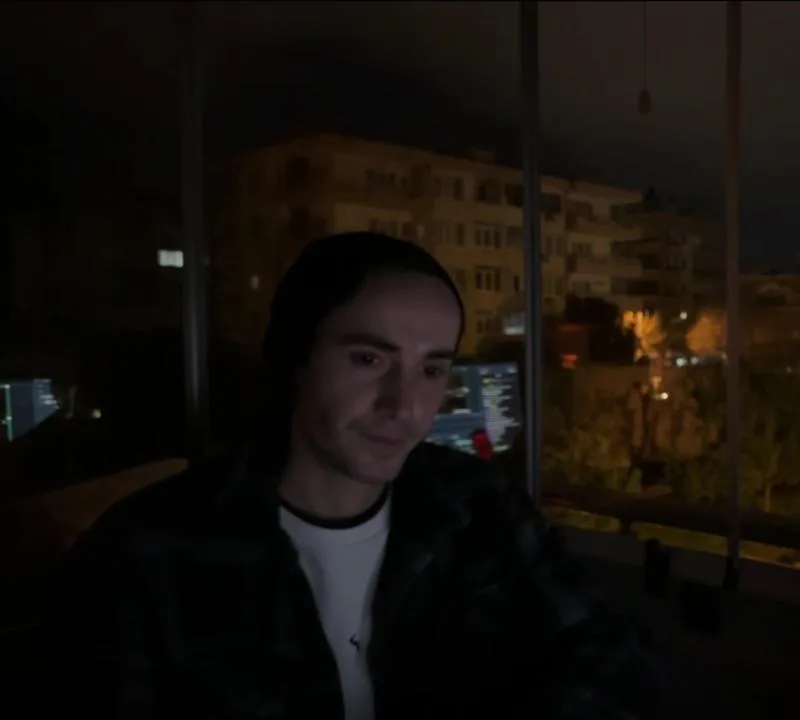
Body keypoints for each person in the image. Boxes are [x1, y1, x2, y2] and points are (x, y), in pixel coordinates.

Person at [45, 232, 658, 719]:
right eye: (368, 359)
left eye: (431, 370)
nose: (404, 405)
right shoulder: (149, 552)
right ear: (295, 359)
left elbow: (608, 653)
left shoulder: (475, 507)